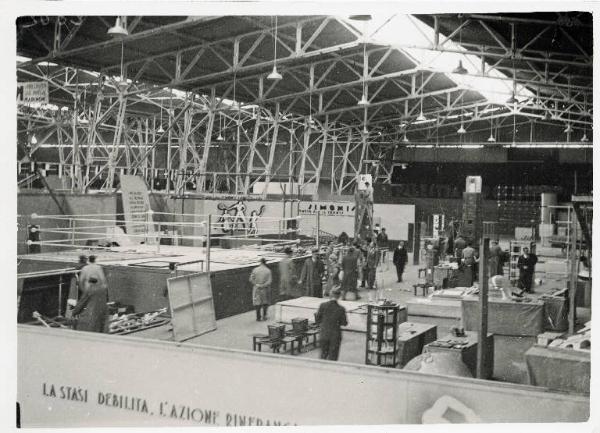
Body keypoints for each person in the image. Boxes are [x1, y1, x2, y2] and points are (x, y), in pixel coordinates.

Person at [71, 255, 108, 333]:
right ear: (95, 260)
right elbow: (103, 281)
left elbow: (81, 282)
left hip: (89, 290)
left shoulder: (85, 268)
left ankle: (75, 317)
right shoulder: (98, 268)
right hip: (99, 292)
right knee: (97, 311)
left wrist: (84, 291)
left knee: (85, 307)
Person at [315, 287, 348, 361]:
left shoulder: (322, 305)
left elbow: (317, 319)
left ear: (330, 295)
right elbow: (344, 323)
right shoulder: (341, 309)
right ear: (339, 296)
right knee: (333, 358)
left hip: (324, 334)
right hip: (335, 336)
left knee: (322, 357)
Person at [66, 255, 88, 319]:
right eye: (85, 259)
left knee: (81, 296)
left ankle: (79, 308)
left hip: (82, 283)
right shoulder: (83, 265)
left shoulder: (80, 265)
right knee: (81, 296)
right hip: (82, 283)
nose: (86, 260)